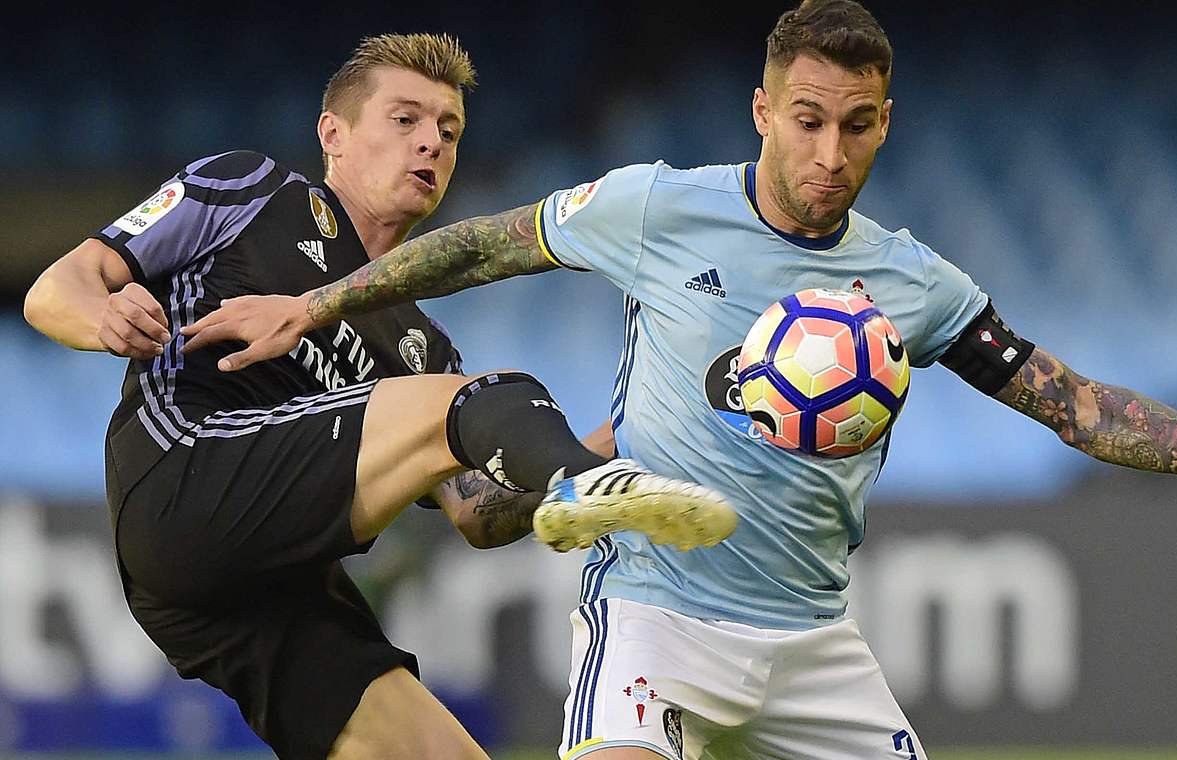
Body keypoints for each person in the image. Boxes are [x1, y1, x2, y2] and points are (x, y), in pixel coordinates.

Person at [177, 3, 1177, 759]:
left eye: (854, 126)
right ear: (761, 111)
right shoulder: (654, 204)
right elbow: (486, 242)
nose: (826, 153)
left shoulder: (917, 286)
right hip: (653, 611)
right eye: (804, 120)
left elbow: (1075, 404)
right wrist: (320, 302)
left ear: (884, 125)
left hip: (810, 642)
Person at [22, 32, 736, 760]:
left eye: (448, 131)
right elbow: (57, 289)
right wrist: (104, 315)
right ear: (334, 133)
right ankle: (594, 487)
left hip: (267, 589)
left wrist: (612, 437)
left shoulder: (421, 341)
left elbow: (477, 517)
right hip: (183, 480)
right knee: (479, 396)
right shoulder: (249, 190)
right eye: (406, 120)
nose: (431, 143)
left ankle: (592, 475)